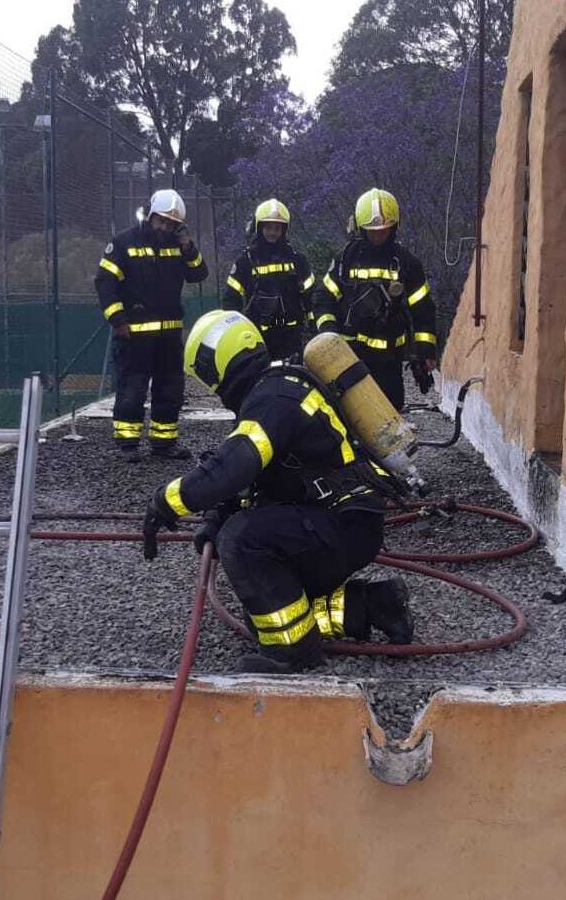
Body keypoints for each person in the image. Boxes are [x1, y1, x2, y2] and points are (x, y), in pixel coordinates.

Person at [140, 310, 414, 674]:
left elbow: (234, 464)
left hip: (341, 526)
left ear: (218, 361)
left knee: (242, 540)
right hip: (343, 522)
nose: (214, 388)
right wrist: (215, 518)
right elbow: (250, 479)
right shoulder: (274, 388)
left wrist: (166, 502)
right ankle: (375, 605)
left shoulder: (273, 398)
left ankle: (295, 652)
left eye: (207, 375)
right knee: (268, 615)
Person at [95, 188, 209, 462]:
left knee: (170, 390)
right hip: (134, 335)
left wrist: (188, 247)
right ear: (150, 216)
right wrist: (117, 319)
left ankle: (164, 443)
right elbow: (104, 282)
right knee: (132, 389)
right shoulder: (123, 243)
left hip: (169, 335)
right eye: (161, 221)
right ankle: (128, 444)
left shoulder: (178, 246)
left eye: (171, 224)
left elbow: (199, 273)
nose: (165, 227)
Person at [311, 188, 439, 411]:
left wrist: (425, 352)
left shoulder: (406, 262)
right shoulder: (346, 260)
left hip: (389, 359)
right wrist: (328, 332)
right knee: (348, 411)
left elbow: (423, 310)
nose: (378, 235)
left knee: (390, 412)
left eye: (384, 229)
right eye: (372, 230)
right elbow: (323, 299)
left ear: (394, 227)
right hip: (349, 355)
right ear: (361, 228)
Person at [221, 198, 314, 363]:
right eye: (268, 227)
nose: (273, 232)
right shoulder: (246, 261)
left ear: (284, 230)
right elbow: (231, 299)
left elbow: (311, 297)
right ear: (259, 227)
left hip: (291, 336)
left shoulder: (297, 259)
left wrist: (314, 328)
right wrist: (236, 332)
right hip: (258, 337)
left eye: (277, 228)